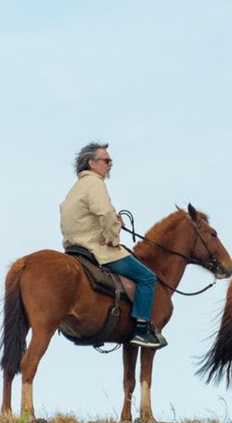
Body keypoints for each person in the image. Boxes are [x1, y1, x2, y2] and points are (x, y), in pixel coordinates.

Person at [60, 142, 165, 348]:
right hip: (96, 248)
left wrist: (112, 223)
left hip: (73, 246)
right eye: (106, 161)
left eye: (111, 162)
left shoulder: (75, 189)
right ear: (92, 163)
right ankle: (142, 330)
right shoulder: (95, 183)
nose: (110, 165)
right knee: (147, 277)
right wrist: (114, 237)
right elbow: (105, 213)